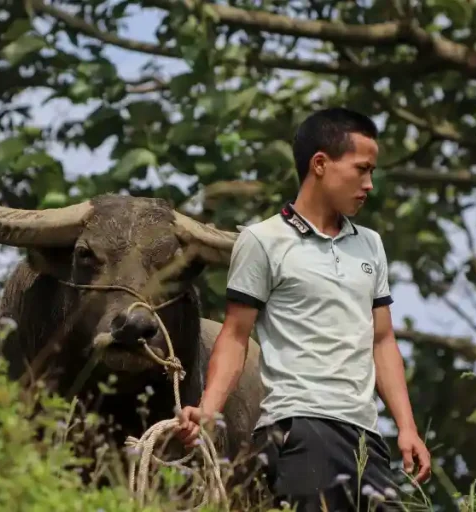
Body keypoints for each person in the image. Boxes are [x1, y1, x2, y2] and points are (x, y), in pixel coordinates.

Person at [173, 107, 431, 510]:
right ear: (321, 164)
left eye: (372, 173)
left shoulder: (371, 245)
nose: (369, 184)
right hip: (301, 428)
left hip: (366, 436)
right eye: (362, 169)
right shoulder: (263, 240)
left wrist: (407, 428)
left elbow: (382, 340)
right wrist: (208, 411)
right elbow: (235, 335)